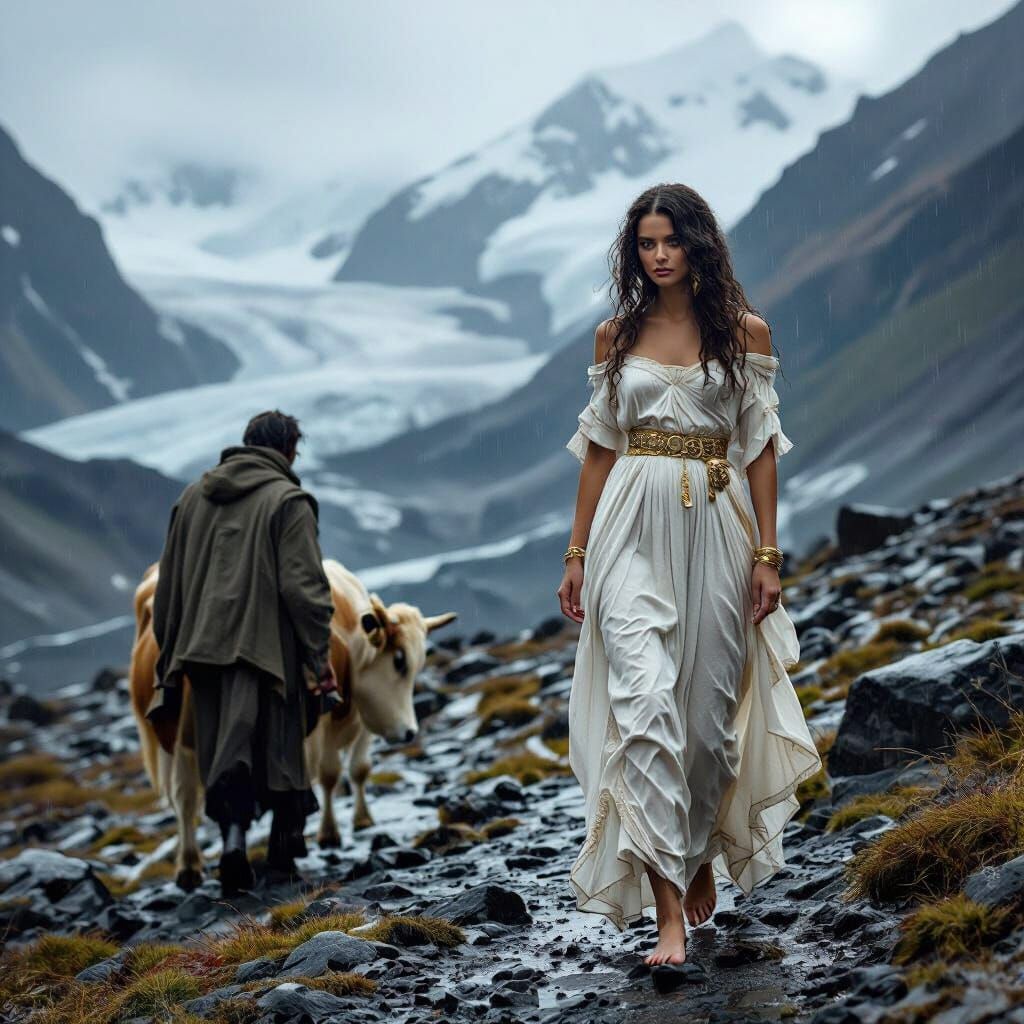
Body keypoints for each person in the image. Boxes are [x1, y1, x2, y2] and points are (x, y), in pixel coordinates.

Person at [557, 183, 822, 974]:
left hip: (718, 520)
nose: (659, 254)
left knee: (706, 723)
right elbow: (601, 447)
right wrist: (575, 554)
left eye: (670, 240)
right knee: (644, 708)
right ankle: (668, 906)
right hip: (629, 524)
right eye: (645, 243)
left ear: (697, 243)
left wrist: (769, 556)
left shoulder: (744, 333)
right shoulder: (617, 336)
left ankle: (698, 842)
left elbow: (761, 446)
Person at [150, 410, 342, 896]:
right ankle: (280, 859)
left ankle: (233, 840)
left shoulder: (191, 497)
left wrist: (170, 657)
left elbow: (167, 586)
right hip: (269, 647)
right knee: (280, 748)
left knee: (224, 748)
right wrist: (318, 656)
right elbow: (304, 589)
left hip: (201, 649)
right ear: (288, 451)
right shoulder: (288, 500)